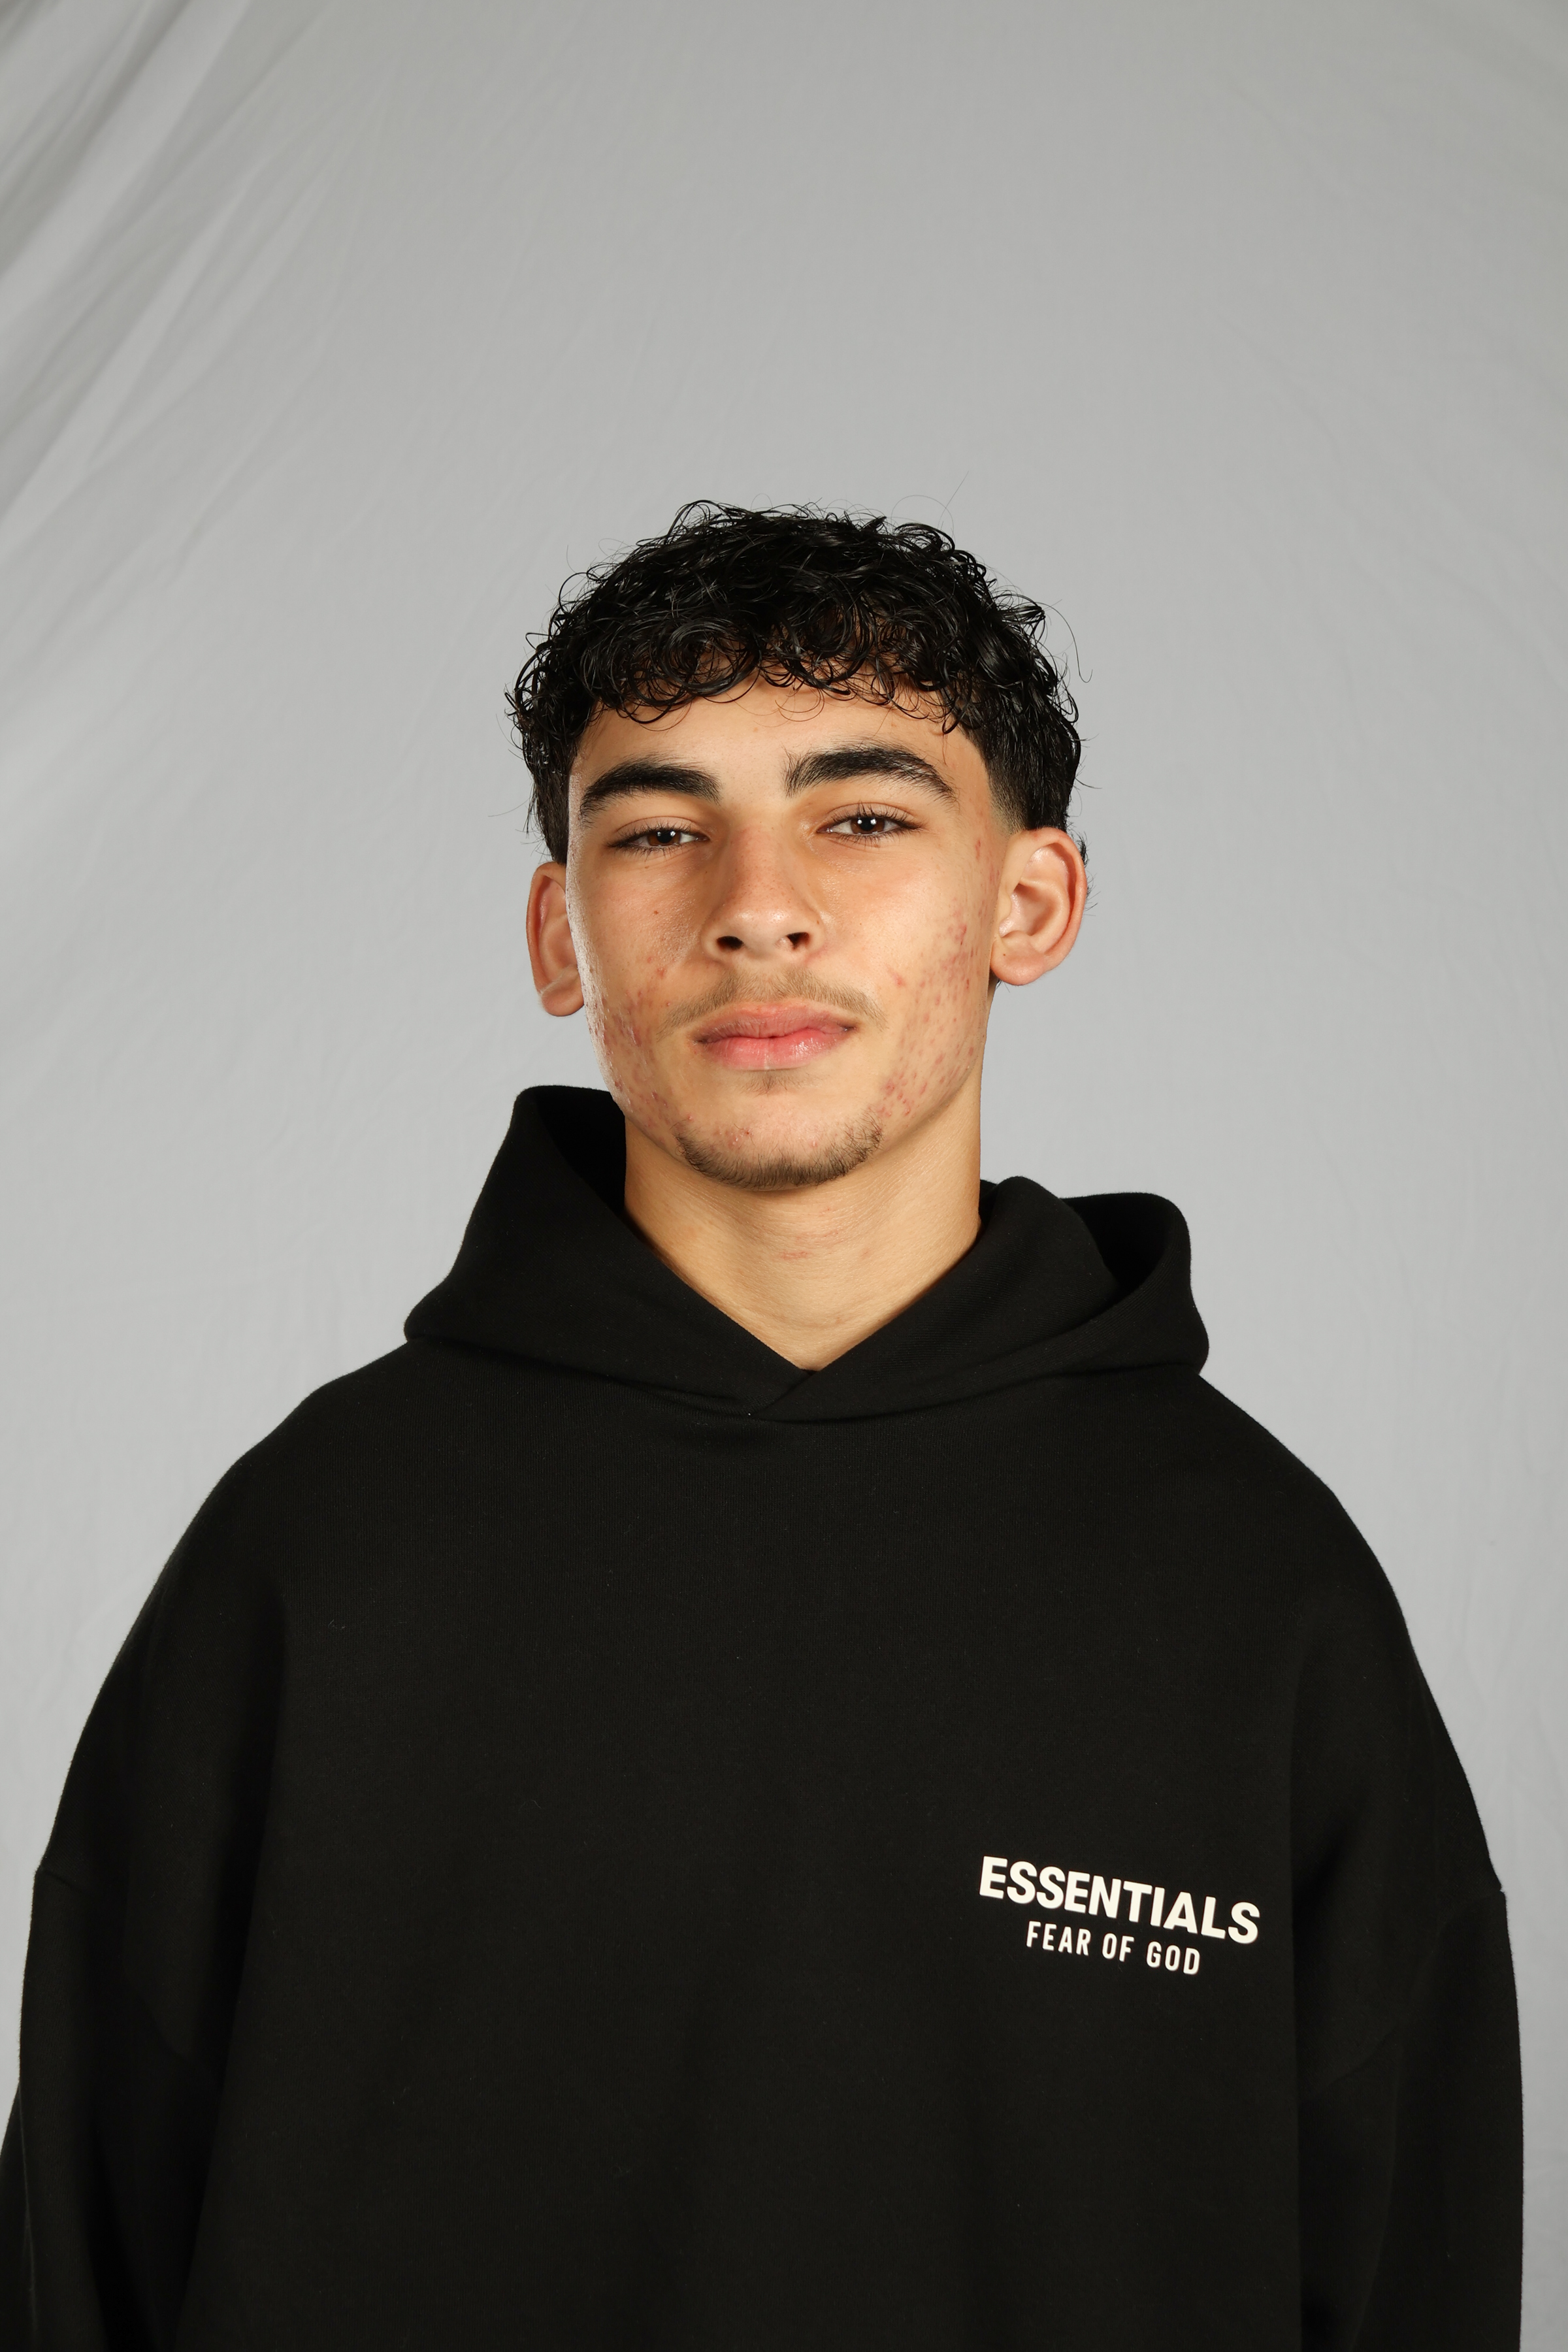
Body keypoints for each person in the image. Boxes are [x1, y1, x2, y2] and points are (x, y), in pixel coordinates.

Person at [0, 504, 1521, 2350]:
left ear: (1029, 904)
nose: (756, 903)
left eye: (862, 817)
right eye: (659, 829)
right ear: (561, 931)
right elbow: (78, 2256)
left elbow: (1413, 2272)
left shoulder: (1257, 1591)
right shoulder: (317, 1551)